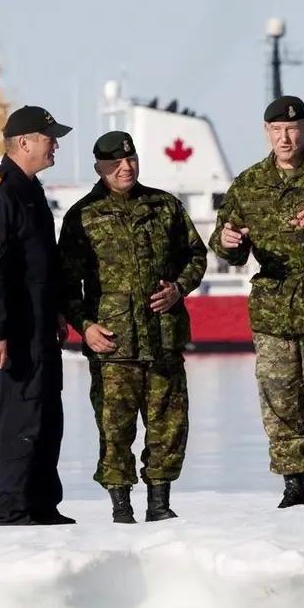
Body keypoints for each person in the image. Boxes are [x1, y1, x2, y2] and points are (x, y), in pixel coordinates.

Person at [210, 95, 304, 508]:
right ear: (266, 132)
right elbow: (226, 241)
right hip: (273, 310)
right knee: (279, 402)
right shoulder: (248, 183)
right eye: (276, 130)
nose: (285, 137)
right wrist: (227, 242)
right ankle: (293, 486)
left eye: (292, 129)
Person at [59, 131, 207, 523]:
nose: (126, 168)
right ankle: (121, 508)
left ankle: (160, 503)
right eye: (116, 164)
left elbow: (195, 255)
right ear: (100, 168)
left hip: (162, 339)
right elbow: (65, 285)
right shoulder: (83, 216)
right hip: (113, 345)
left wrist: (178, 288)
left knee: (169, 427)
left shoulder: (164, 206)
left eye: (132, 160)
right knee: (115, 431)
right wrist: (85, 326)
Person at [0, 105, 75, 526]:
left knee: (48, 414)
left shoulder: (30, 190)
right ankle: (10, 510)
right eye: (50, 138)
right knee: (18, 416)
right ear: (25, 142)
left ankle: (42, 504)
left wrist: (54, 314)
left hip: (39, 326)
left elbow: (38, 266)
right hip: (13, 330)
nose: (56, 145)